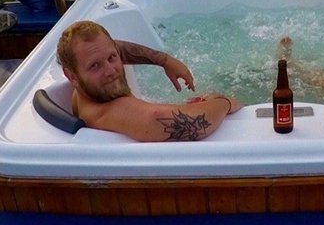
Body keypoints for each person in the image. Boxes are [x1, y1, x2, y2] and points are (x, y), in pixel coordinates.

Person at [56, 21, 242, 141]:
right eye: (95, 66)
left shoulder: (85, 87)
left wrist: (164, 60)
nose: (110, 71)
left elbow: (116, 48)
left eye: (112, 58)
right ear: (71, 76)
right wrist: (224, 102)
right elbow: (172, 120)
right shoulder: (105, 111)